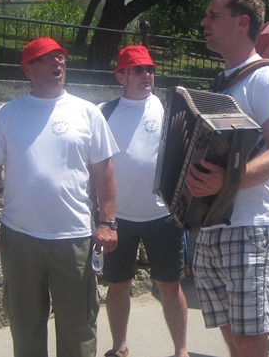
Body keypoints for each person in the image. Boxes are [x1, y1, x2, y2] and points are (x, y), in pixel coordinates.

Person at [0, 37, 119, 357]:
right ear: (28, 70)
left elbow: (104, 171)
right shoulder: (7, 114)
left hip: (74, 238)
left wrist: (107, 222)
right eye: (47, 58)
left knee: (78, 328)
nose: (58, 62)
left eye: (61, 57)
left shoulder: (87, 112)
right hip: (20, 239)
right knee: (25, 327)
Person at [185, 0, 269, 357]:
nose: (204, 22)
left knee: (249, 341)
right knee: (234, 338)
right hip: (212, 225)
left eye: (214, 15)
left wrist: (226, 181)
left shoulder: (268, 78)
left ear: (242, 22)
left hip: (253, 226)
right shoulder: (224, 83)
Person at [100, 45, 189, 357]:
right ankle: (120, 348)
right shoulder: (103, 112)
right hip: (118, 219)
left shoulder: (168, 109)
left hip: (162, 215)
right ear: (120, 76)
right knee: (118, 285)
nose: (146, 74)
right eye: (138, 70)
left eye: (150, 69)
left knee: (170, 286)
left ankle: (181, 351)